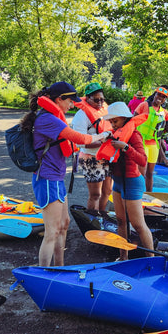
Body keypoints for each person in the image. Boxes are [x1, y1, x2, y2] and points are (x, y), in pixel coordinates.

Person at [20, 81, 106, 266]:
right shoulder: (47, 119)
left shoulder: (53, 117)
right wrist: (102, 135)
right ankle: (45, 274)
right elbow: (80, 138)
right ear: (59, 99)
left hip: (56, 178)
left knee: (64, 224)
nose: (72, 104)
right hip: (47, 179)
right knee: (52, 231)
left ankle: (59, 267)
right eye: (69, 101)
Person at [102, 101, 154, 261]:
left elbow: (143, 160)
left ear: (125, 119)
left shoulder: (134, 134)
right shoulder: (114, 134)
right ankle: (123, 256)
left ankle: (151, 260)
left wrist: (125, 147)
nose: (113, 124)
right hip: (118, 182)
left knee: (138, 225)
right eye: (111, 122)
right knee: (120, 220)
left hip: (132, 183)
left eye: (115, 121)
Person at [71, 82, 113, 214]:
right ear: (87, 98)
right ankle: (92, 222)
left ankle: (101, 217)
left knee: (107, 191)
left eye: (102, 99)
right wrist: (103, 142)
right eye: (96, 100)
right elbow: (80, 142)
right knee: (95, 195)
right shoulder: (81, 116)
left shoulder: (103, 112)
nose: (100, 102)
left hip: (107, 156)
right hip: (91, 158)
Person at [134, 86, 168, 191]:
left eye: (163, 97)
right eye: (158, 95)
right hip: (141, 143)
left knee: (150, 174)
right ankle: (138, 196)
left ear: (165, 100)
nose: (160, 98)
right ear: (154, 94)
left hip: (154, 146)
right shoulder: (144, 105)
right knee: (140, 174)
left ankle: (149, 195)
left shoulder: (164, 112)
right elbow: (132, 121)